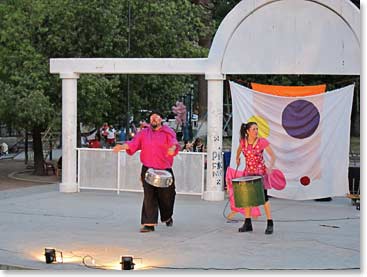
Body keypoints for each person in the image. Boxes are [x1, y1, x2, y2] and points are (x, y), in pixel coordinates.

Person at [113, 111, 180, 233]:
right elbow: (133, 143)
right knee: (149, 196)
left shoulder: (167, 132)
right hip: (148, 169)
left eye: (156, 117)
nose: (154, 119)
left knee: (168, 196)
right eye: (152, 118)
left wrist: (172, 148)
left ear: (161, 120)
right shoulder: (144, 133)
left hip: (164, 169)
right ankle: (149, 224)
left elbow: (173, 142)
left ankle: (167, 216)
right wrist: (121, 147)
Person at [235, 122, 276, 234]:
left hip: (260, 174)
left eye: (257, 129)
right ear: (247, 131)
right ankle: (247, 223)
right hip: (248, 174)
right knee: (247, 199)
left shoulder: (262, 142)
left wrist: (270, 167)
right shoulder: (243, 142)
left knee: (264, 198)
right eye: (254, 129)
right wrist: (237, 158)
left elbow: (273, 156)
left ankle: (270, 223)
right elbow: (238, 151)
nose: (256, 131)